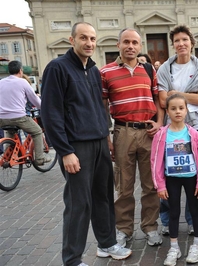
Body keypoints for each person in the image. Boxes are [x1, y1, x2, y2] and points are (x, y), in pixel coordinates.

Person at [40, 22, 132, 266]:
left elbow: (99, 108)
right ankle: (72, 259)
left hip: (100, 143)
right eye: (83, 38)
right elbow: (50, 114)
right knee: (79, 203)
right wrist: (65, 151)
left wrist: (106, 138)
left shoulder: (92, 70)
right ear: (72, 40)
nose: (89, 43)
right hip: (76, 147)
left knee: (102, 197)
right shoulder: (57, 68)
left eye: (92, 38)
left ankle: (107, 243)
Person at [101, 28, 164, 248]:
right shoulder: (105, 72)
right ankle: (124, 230)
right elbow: (103, 105)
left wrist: (159, 122)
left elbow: (157, 98)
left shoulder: (148, 69)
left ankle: (150, 227)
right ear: (118, 44)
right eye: (126, 42)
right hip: (122, 132)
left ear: (140, 46)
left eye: (135, 42)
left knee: (151, 185)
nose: (130, 46)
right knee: (124, 186)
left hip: (148, 131)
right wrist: (106, 135)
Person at [157, 24, 198, 236]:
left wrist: (176, 93)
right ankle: (165, 220)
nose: (181, 44)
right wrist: (185, 95)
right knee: (167, 172)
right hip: (171, 130)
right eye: (177, 41)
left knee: (197, 172)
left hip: (197, 127)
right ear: (173, 45)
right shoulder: (165, 69)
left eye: (185, 40)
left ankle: (195, 219)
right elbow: (164, 100)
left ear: (191, 42)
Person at [151, 94, 198, 265]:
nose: (177, 112)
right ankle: (174, 247)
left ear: (186, 110)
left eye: (181, 108)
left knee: (195, 210)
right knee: (173, 211)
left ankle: (197, 244)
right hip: (171, 179)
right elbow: (155, 161)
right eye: (173, 108)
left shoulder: (194, 134)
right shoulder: (161, 135)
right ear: (167, 111)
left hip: (191, 178)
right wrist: (160, 185)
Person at [0, 60, 50, 165]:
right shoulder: (22, 82)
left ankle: (7, 156)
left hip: (2, 118)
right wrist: (43, 106)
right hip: (18, 117)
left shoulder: (1, 82)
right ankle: (40, 158)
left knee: (10, 135)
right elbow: (35, 100)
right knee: (37, 131)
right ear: (20, 70)